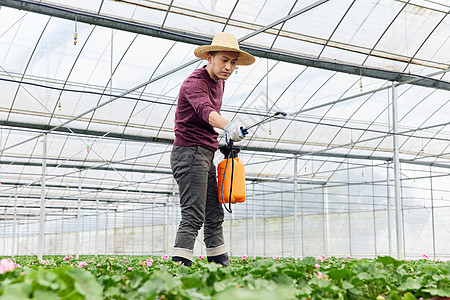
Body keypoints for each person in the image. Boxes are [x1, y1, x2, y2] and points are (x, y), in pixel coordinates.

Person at [170, 32, 255, 267]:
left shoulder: (219, 82)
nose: (228, 67)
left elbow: (204, 124)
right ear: (209, 57)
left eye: (233, 62)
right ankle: (179, 273)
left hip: (205, 152)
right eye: (224, 60)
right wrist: (227, 125)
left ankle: (219, 270)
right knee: (193, 216)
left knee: (215, 215)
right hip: (189, 153)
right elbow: (205, 111)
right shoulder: (195, 82)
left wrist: (222, 141)